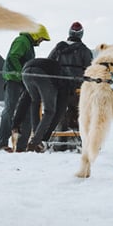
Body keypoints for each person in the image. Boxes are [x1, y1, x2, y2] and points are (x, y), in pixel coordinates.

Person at [20, 22, 93, 152]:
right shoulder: (84, 50)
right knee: (60, 111)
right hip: (73, 86)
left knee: (41, 105)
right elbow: (90, 70)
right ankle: (43, 140)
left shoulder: (58, 48)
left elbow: (49, 63)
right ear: (81, 35)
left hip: (54, 83)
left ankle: (39, 138)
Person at [0, 24, 49, 152]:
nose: (40, 42)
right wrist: (21, 73)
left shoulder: (28, 44)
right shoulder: (22, 41)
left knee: (27, 112)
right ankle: (2, 144)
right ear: (36, 35)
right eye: (41, 39)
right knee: (10, 110)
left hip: (23, 82)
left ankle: (22, 146)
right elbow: (13, 57)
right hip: (14, 81)